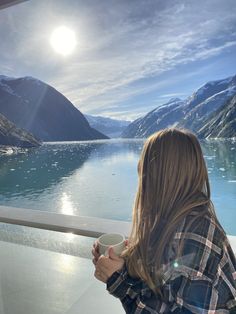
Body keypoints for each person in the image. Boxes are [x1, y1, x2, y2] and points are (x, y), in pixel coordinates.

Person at [92, 128, 236, 313]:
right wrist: (124, 264)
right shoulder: (177, 221)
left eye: (143, 167)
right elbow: (166, 292)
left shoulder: (194, 235)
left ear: (155, 175)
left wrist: (119, 281)